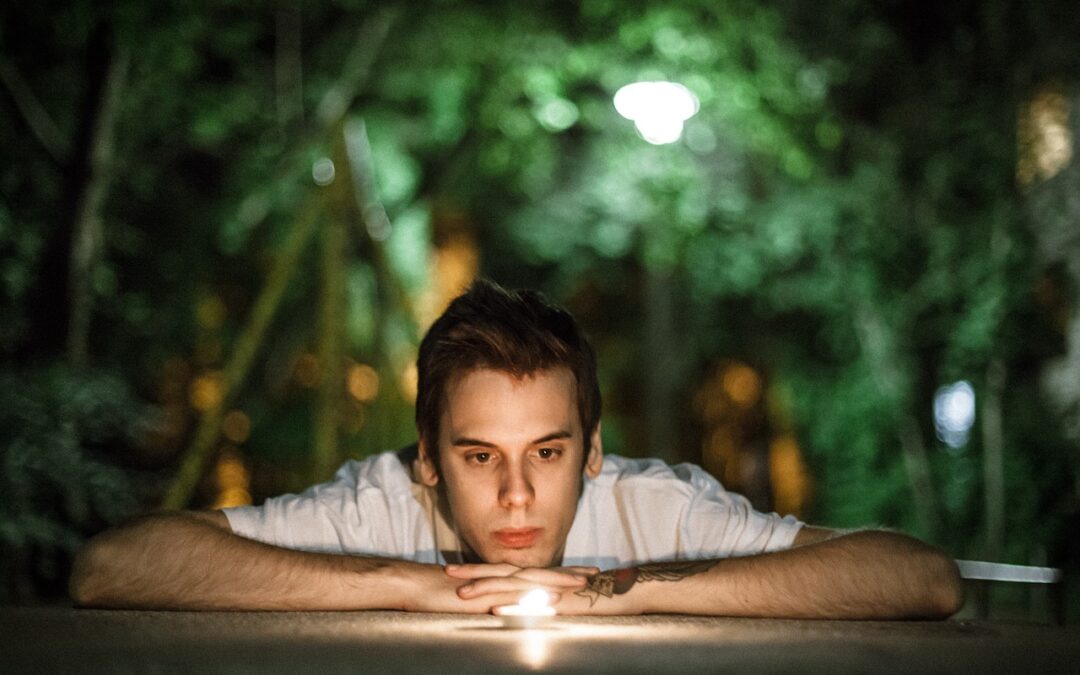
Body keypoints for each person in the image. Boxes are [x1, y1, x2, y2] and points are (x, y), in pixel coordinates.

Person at [70, 280, 964, 618]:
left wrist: (619, 594)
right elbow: (111, 567)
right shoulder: (381, 501)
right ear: (426, 457)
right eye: (476, 454)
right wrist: (409, 583)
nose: (514, 496)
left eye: (545, 451)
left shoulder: (658, 506)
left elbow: (921, 577)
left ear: (592, 451)